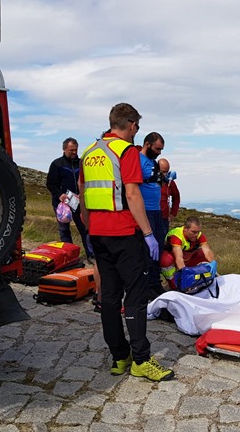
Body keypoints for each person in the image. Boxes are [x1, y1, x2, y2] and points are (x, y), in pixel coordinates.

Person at [79, 102, 174, 382]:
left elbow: (83, 194)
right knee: (134, 296)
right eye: (137, 127)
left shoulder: (90, 152)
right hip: (124, 234)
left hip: (98, 233)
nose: (137, 131)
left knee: (108, 298)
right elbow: (132, 195)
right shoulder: (126, 151)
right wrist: (147, 233)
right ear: (131, 125)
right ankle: (141, 360)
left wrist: (88, 230)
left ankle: (119, 357)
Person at [46, 137, 94, 262]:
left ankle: (91, 255)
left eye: (76, 150)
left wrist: (82, 195)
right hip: (62, 204)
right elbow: (50, 184)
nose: (74, 152)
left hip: (79, 203)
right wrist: (60, 195)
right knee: (64, 230)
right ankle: (70, 258)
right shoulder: (57, 164)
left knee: (85, 229)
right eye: (71, 150)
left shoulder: (81, 163)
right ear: (64, 149)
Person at [139, 132, 166, 298]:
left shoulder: (152, 162)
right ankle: (147, 286)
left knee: (158, 249)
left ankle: (155, 282)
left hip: (156, 211)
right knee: (148, 251)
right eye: (157, 149)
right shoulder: (137, 160)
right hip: (146, 211)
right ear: (147, 144)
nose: (159, 152)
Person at [161, 216, 217, 289]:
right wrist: (184, 275)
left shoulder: (199, 235)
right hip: (174, 259)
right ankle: (174, 284)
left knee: (202, 254)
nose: (196, 235)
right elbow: (179, 258)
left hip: (186, 257)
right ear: (185, 229)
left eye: (198, 232)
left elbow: (207, 250)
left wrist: (212, 263)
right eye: (193, 232)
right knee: (166, 260)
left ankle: (198, 278)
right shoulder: (176, 236)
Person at [159, 158, 180, 234]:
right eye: (163, 172)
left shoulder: (170, 183)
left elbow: (176, 197)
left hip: (164, 218)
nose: (165, 174)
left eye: (167, 171)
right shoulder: (150, 181)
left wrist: (173, 213)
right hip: (150, 216)